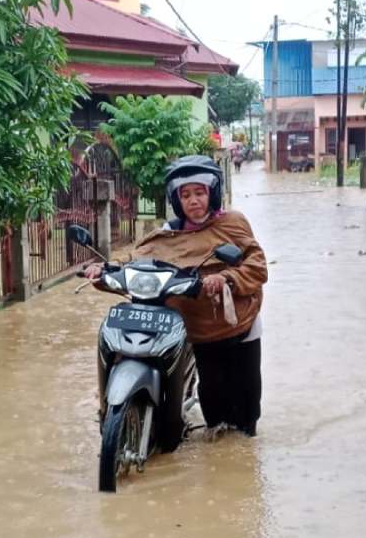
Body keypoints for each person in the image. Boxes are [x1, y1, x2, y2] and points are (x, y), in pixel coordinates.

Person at [85, 155, 267, 437]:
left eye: (199, 193)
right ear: (176, 199)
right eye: (186, 195)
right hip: (199, 331)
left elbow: (257, 266)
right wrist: (103, 269)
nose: (193, 201)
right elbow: (134, 260)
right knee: (214, 410)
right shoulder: (166, 235)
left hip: (239, 325)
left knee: (246, 411)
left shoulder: (233, 223)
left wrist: (225, 278)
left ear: (212, 194)